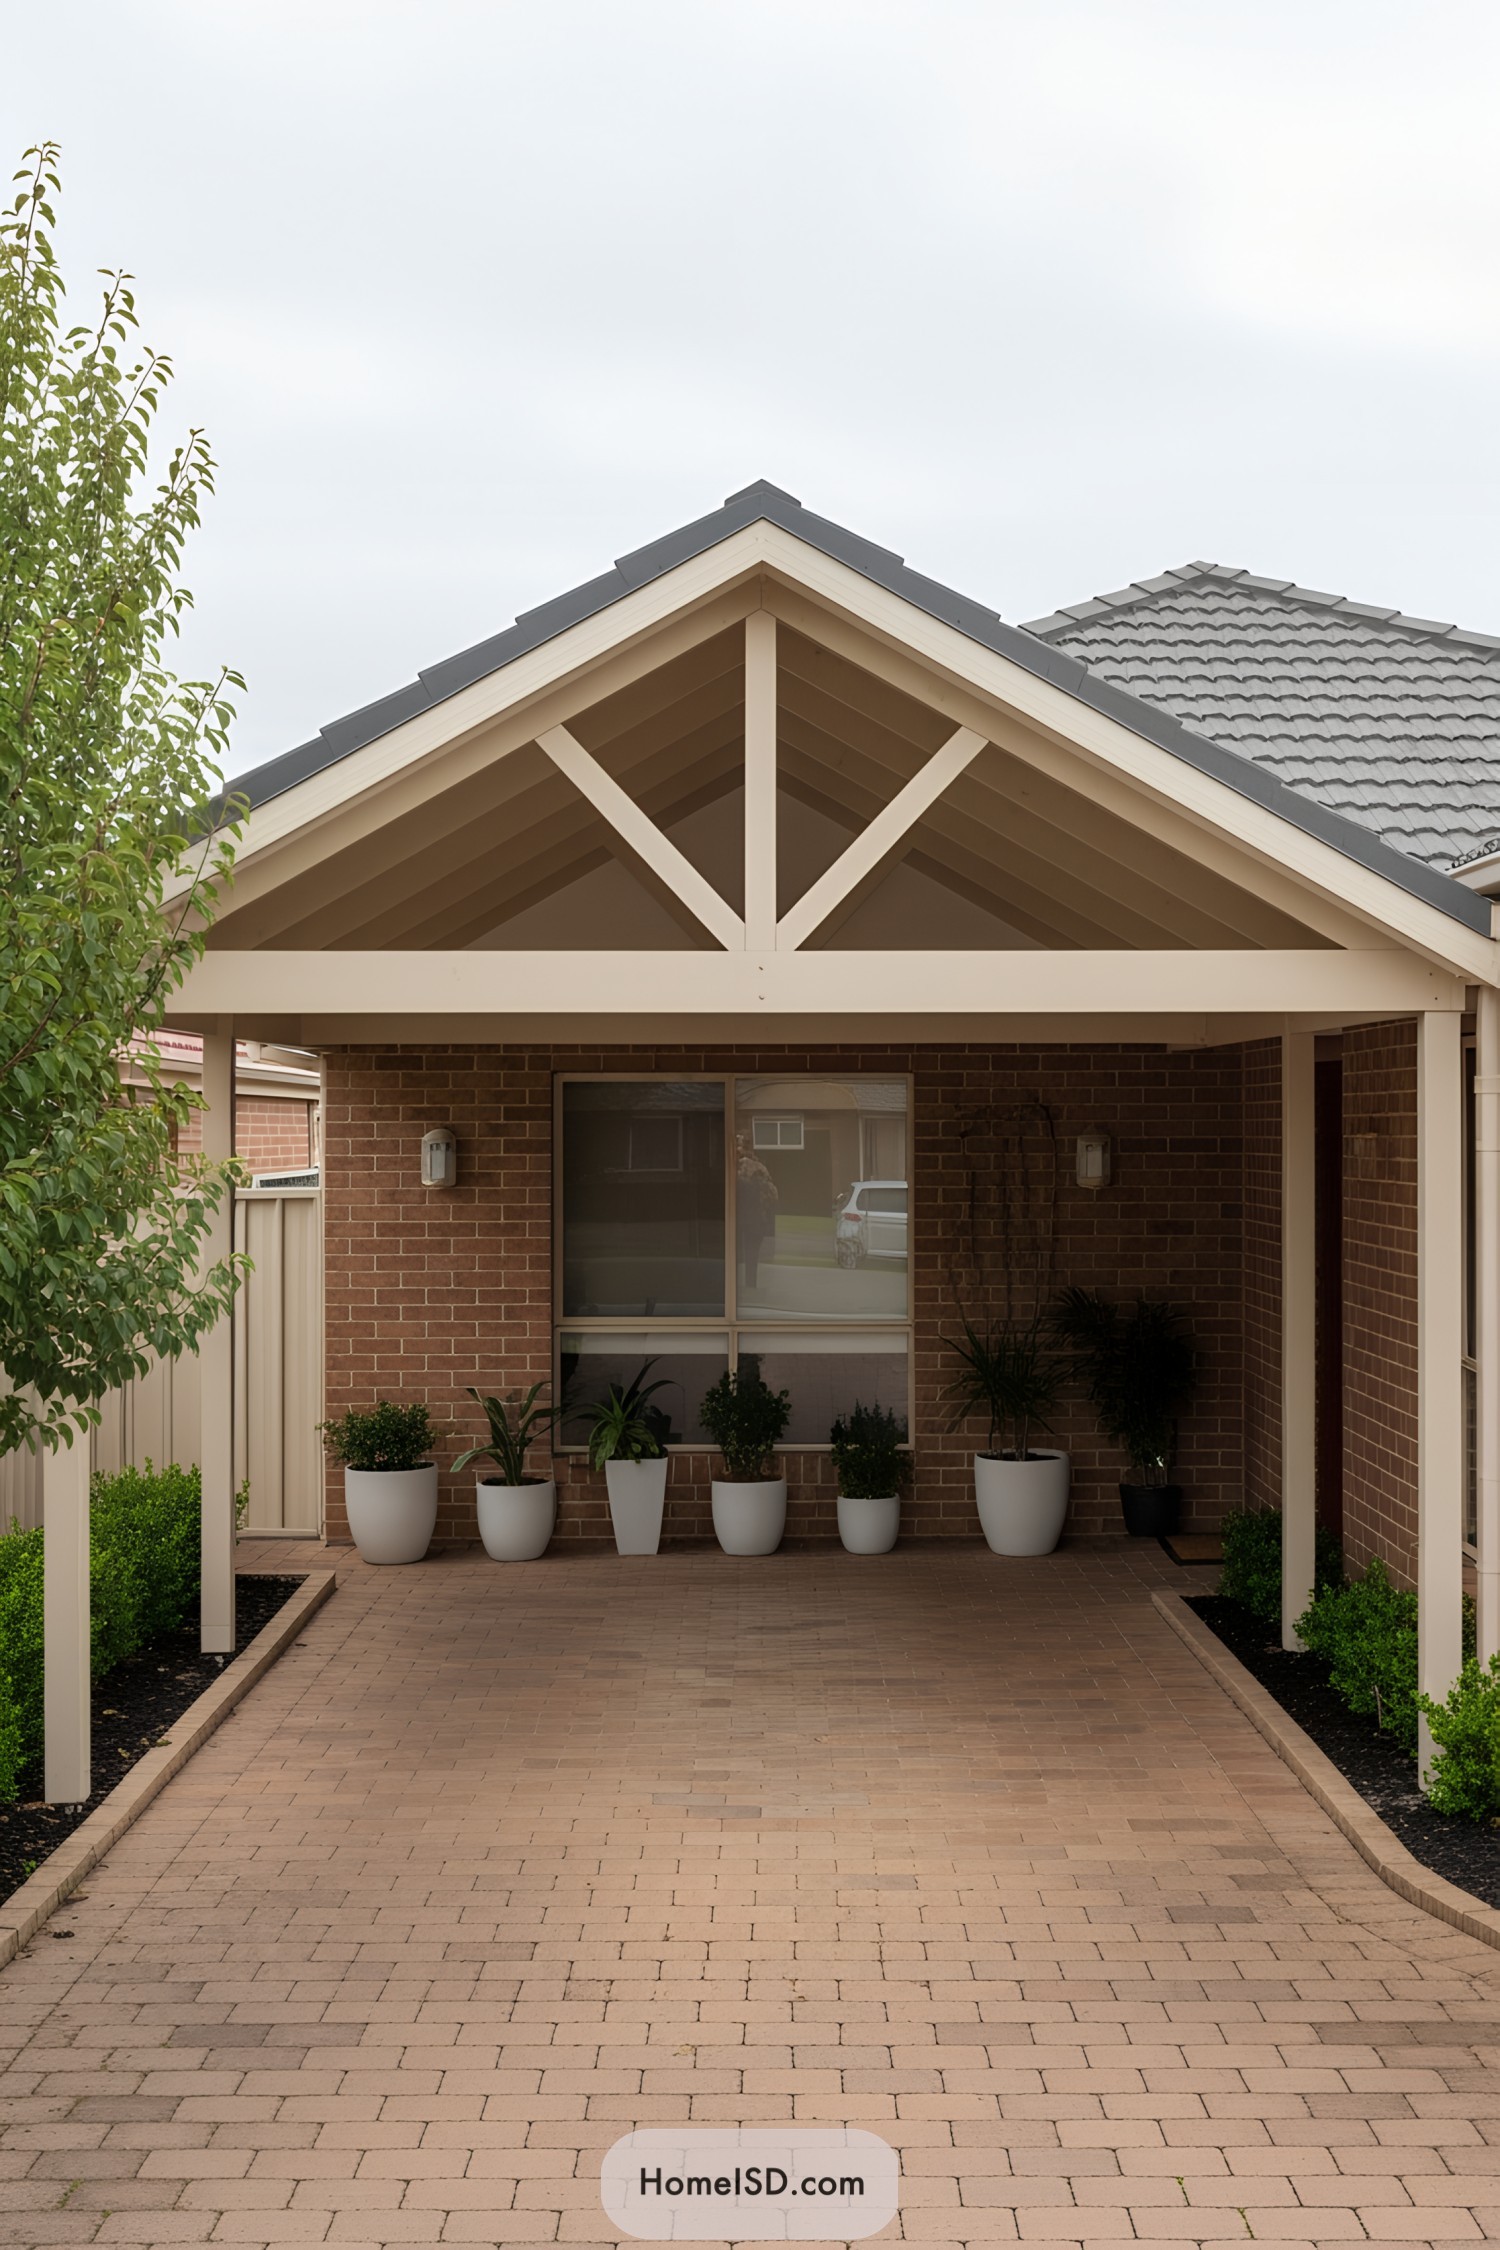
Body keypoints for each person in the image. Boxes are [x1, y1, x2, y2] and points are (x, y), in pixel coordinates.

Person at [735, 1133, 778, 1291]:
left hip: (740, 1218)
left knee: (735, 1254)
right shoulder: (761, 1169)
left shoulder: (737, 1167)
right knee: (752, 1254)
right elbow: (773, 1195)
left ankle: (735, 1290)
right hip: (756, 1218)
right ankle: (749, 1284)